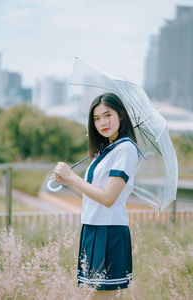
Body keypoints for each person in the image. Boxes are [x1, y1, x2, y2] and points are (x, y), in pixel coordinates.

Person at [52, 93, 144, 300]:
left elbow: (108, 198)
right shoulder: (106, 151)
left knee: (102, 297)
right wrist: (67, 181)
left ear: (120, 115)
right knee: (92, 295)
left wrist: (72, 176)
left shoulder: (126, 149)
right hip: (92, 227)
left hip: (109, 231)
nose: (102, 122)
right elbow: (91, 196)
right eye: (96, 118)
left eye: (107, 115)